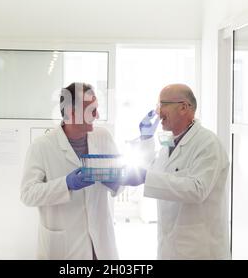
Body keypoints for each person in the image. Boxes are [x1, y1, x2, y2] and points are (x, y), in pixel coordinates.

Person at [122, 84, 230, 260]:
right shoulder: (170, 143)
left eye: (163, 104)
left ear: (184, 107)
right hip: (170, 248)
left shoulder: (208, 143)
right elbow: (156, 171)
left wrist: (145, 177)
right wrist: (146, 139)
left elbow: (197, 190)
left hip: (200, 250)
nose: (158, 112)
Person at [20, 82, 121, 260]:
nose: (97, 115)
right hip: (64, 245)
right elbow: (28, 194)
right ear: (72, 113)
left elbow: (120, 178)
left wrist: (116, 182)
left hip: (100, 243)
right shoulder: (42, 146)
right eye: (92, 110)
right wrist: (65, 184)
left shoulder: (103, 137)